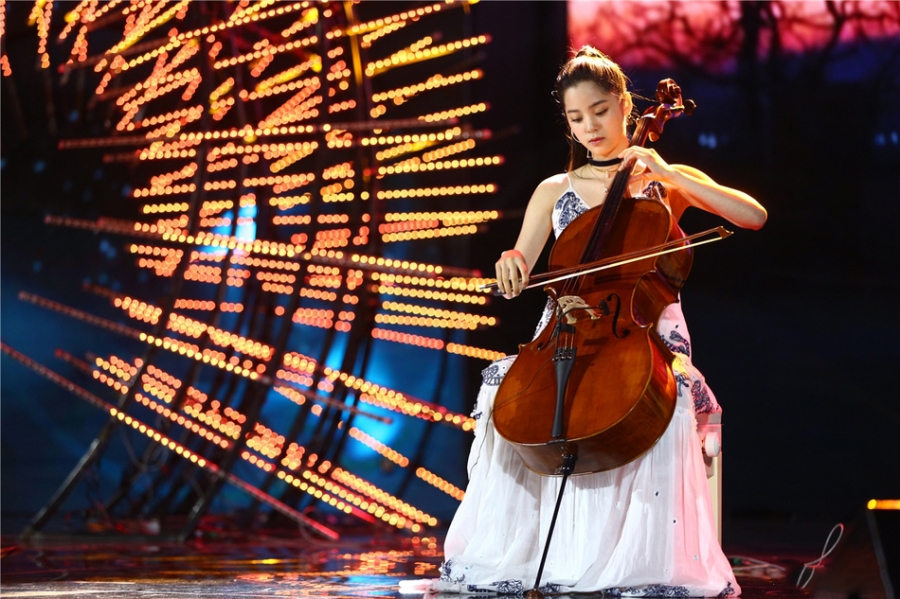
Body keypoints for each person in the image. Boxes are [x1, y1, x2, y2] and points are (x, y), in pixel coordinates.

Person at [422, 47, 766, 597]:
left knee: (663, 392)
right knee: (501, 391)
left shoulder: (664, 179)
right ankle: (539, 552)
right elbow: (521, 264)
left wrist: (670, 172)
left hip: (644, 326)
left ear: (626, 104)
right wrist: (511, 265)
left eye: (601, 111)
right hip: (565, 325)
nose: (591, 128)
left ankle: (638, 559)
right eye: (577, 118)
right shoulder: (553, 190)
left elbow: (752, 216)